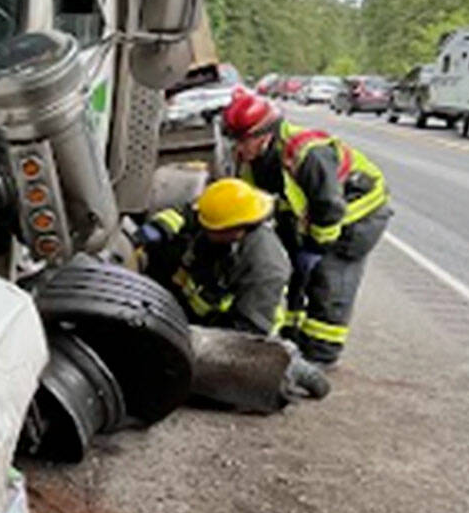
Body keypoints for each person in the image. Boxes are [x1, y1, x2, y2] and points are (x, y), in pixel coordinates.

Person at [219, 88, 391, 365]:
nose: (237, 148)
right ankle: (292, 337)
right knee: (295, 275)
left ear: (264, 134)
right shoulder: (254, 160)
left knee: (330, 277)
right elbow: (259, 201)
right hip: (316, 214)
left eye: (242, 141)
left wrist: (315, 247)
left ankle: (322, 354)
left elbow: (329, 208)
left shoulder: (307, 154)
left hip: (357, 214)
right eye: (233, 140)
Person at [135, 178, 291, 337]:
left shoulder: (265, 267)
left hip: (230, 331)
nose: (204, 229)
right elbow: (189, 214)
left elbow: (248, 332)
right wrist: (158, 228)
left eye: (210, 229)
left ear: (233, 230)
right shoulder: (229, 211)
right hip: (195, 305)